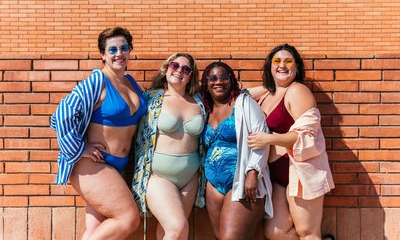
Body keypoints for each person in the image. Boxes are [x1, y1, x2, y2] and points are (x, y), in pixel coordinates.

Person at [50, 27, 144, 239]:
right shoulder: (97, 81)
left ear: (130, 51)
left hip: (116, 167)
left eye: (123, 48)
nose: (118, 53)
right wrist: (79, 148)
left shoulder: (130, 81)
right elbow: (62, 114)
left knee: (95, 232)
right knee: (129, 219)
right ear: (103, 54)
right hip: (94, 165)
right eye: (112, 49)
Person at [247, 44, 335, 240]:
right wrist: (270, 85)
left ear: (297, 67)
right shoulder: (267, 95)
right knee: (274, 232)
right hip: (276, 178)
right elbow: (240, 96)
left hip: (300, 172)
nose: (282, 66)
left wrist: (270, 139)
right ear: (270, 66)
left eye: (288, 62)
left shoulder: (297, 91)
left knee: (307, 232)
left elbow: (308, 134)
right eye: (277, 62)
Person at [132, 53, 206, 240]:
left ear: (191, 75)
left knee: (169, 231)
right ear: (166, 69)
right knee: (178, 227)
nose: (180, 70)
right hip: (158, 176)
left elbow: (237, 95)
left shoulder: (200, 101)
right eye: (175, 65)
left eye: (186, 69)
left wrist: (273, 88)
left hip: (190, 178)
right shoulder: (151, 99)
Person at [200, 61, 273, 240]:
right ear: (206, 83)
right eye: (213, 78)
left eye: (224, 77)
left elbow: (261, 137)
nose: (219, 82)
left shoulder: (243, 103)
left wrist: (253, 172)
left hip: (241, 180)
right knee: (220, 236)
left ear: (232, 81)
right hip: (213, 185)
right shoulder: (205, 108)